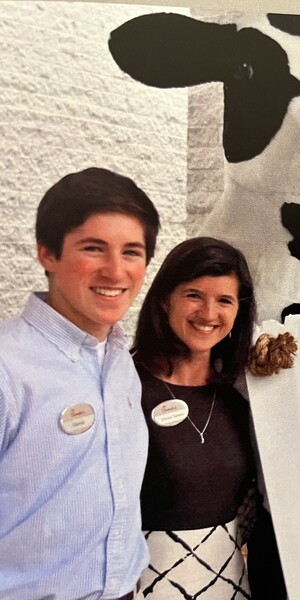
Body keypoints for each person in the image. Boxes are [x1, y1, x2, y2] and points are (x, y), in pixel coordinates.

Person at [0, 167, 160, 599]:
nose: (115, 271)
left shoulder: (120, 361)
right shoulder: (7, 370)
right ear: (47, 254)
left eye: (132, 252)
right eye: (94, 248)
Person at [132, 237, 263, 599]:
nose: (208, 314)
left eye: (224, 300)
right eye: (194, 295)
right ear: (163, 299)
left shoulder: (242, 399)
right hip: (145, 586)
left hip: (229, 584)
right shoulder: (124, 389)